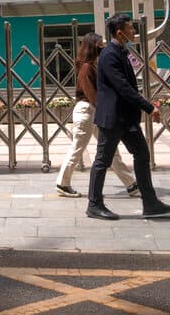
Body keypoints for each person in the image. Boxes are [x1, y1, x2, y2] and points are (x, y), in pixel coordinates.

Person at [86, 14, 170, 220]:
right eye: (130, 28)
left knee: (142, 155)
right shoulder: (110, 55)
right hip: (113, 118)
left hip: (127, 119)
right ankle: (94, 204)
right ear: (120, 32)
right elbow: (122, 87)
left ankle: (150, 202)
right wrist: (148, 106)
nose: (133, 31)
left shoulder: (120, 52)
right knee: (103, 160)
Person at [55, 32, 139, 198]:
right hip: (87, 111)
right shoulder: (86, 67)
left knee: (111, 148)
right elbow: (91, 94)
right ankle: (62, 183)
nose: (103, 46)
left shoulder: (93, 65)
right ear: (93, 45)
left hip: (92, 111)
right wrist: (105, 110)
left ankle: (131, 184)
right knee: (77, 148)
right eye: (100, 44)